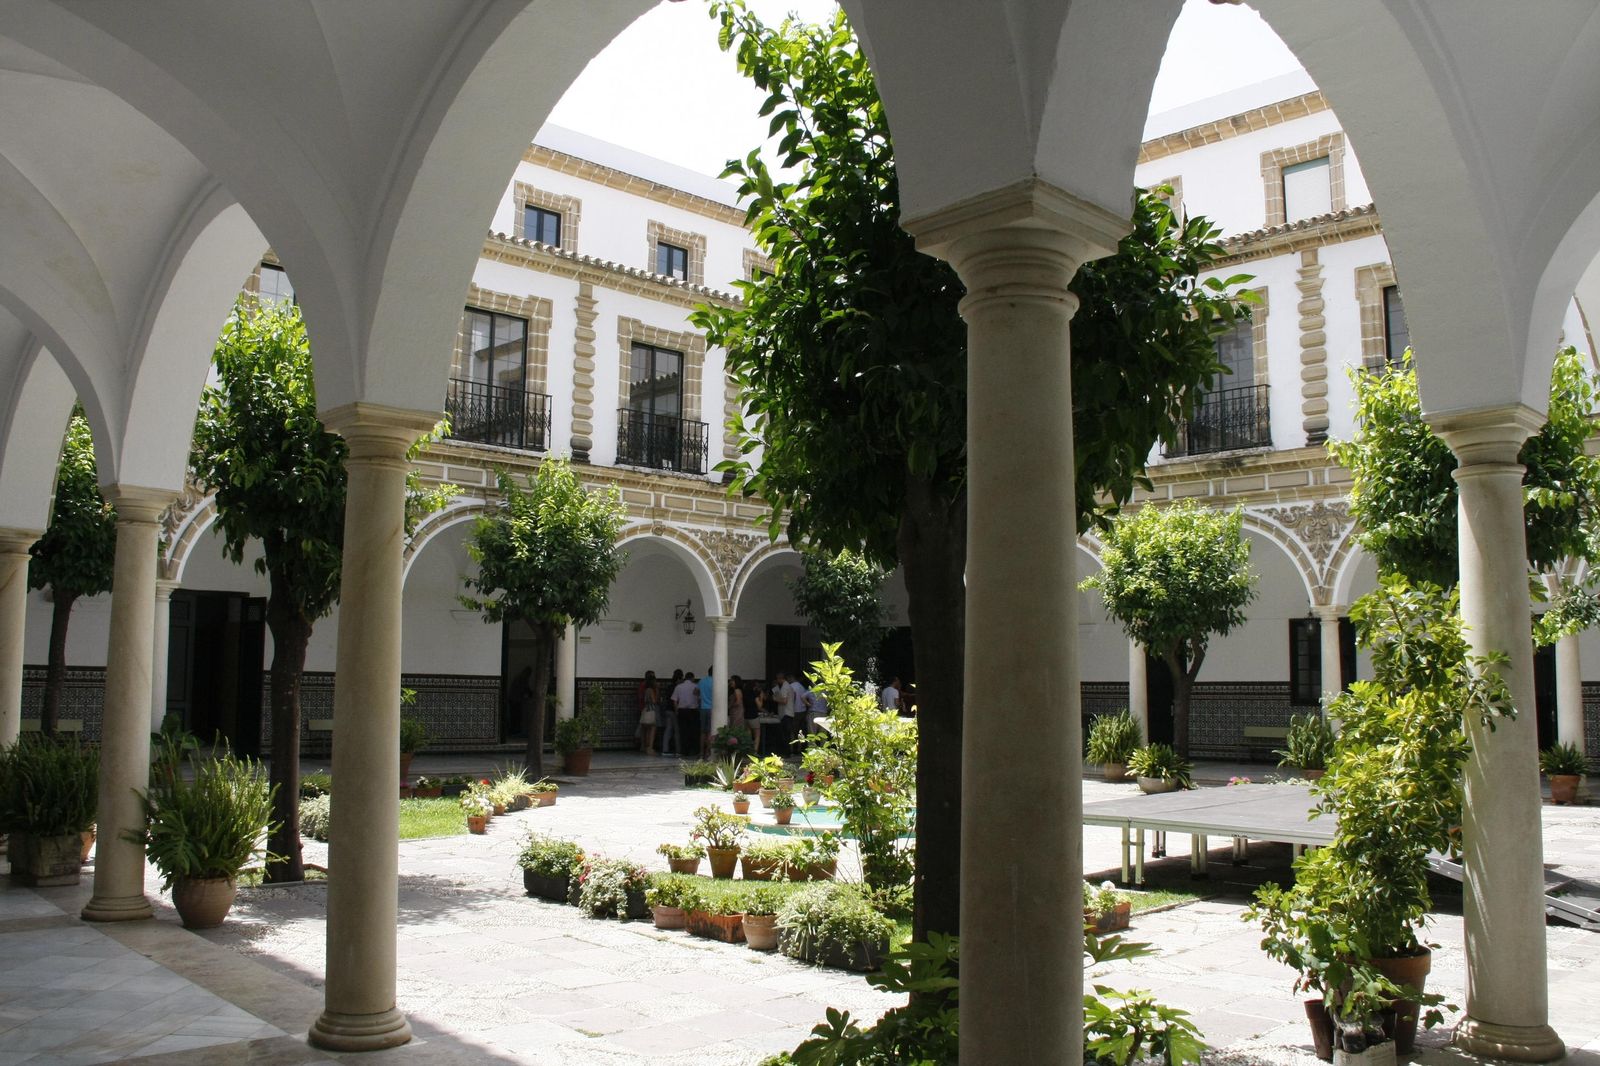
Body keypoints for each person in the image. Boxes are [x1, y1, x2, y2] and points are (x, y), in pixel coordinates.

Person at [672, 670, 700, 757]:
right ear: (692, 678)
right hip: (693, 711)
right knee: (694, 731)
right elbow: (699, 699)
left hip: (682, 711)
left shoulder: (679, 687)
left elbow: (674, 700)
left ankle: (684, 750)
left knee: (683, 732)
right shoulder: (696, 686)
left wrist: (676, 710)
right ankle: (694, 750)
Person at [638, 671, 660, 755]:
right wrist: (657, 691)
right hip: (651, 711)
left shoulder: (645, 689)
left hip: (645, 710)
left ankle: (644, 747)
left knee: (645, 730)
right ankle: (649, 748)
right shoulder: (651, 690)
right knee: (652, 730)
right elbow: (654, 701)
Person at [698, 665, 715, 759]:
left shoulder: (702, 681)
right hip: (712, 708)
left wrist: (701, 697)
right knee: (710, 732)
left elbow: (695, 691)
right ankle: (708, 752)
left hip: (703, 708)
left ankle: (701, 752)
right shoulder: (716, 681)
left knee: (702, 732)